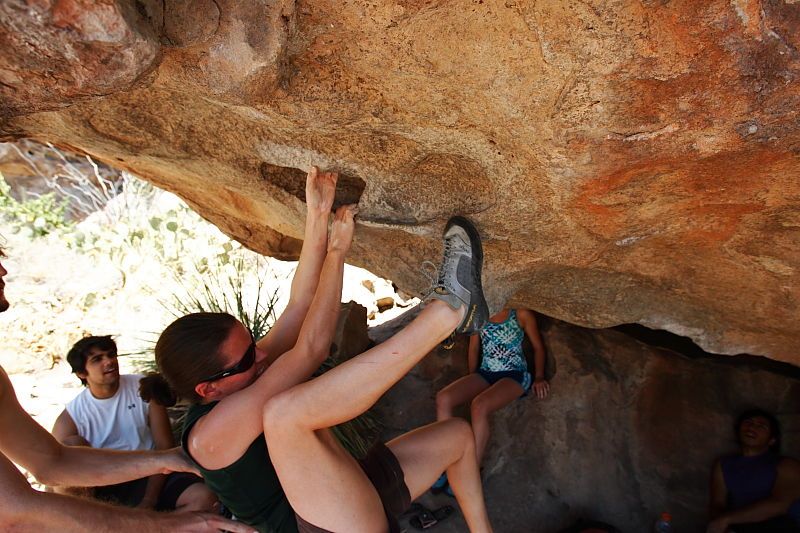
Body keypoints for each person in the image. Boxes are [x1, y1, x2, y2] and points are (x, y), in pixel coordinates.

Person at [151, 166, 494, 532]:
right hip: (318, 526)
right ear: (208, 389)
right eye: (249, 357)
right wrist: (337, 251)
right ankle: (450, 314)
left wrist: (317, 216)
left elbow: (299, 307)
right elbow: (311, 349)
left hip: (346, 491)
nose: (263, 354)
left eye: (252, 342)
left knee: (455, 436)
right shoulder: (210, 437)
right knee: (284, 415)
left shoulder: (234, 374)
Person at [0, 248, 253, 532]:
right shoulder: (73, 414)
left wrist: (166, 459)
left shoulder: (139, 387)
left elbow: (52, 463)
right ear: (82, 373)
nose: (4, 271)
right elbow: (15, 514)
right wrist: (169, 525)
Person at [51, 335, 217, 512]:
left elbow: (164, 446)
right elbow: (56, 475)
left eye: (111, 355)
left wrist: (149, 499)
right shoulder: (72, 416)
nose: (109, 362)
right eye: (97, 359)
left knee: (204, 498)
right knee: (71, 446)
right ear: (82, 373)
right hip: (103, 482)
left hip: (153, 472)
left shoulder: (143, 388)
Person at [432, 307, 548, 494]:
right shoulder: (480, 314)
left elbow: (538, 347)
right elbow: (474, 349)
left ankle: (470, 471)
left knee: (479, 406)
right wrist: (472, 380)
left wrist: (540, 376)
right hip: (486, 374)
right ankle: (446, 464)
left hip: (515, 376)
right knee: (443, 398)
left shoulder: (520, 314)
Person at [707, 409, 800, 533]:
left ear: (772, 440)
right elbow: (717, 504)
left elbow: (780, 504)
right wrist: (722, 524)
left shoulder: (787, 465)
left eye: (761, 426)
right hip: (741, 526)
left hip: (782, 525)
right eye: (748, 422)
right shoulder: (723, 464)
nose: (752, 427)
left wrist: (726, 519)